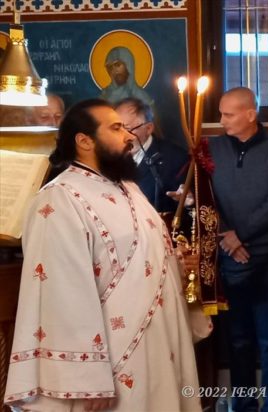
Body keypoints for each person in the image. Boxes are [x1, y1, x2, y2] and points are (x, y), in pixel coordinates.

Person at [3, 99, 210, 411]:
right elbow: (61, 294)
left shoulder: (127, 187)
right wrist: (85, 378)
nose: (128, 136)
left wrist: (179, 262)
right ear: (84, 141)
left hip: (157, 345)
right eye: (116, 128)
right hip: (112, 363)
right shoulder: (59, 199)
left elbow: (142, 256)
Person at [210, 87, 268, 412]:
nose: (222, 121)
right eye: (220, 114)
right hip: (230, 255)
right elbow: (204, 196)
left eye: (228, 114)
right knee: (238, 339)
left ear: (250, 114)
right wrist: (226, 235)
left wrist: (241, 236)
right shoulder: (212, 149)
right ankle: (243, 406)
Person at [115, 97, 188, 212]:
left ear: (148, 128)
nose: (122, 137)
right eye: (116, 129)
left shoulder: (175, 159)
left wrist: (187, 202)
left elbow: (186, 205)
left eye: (128, 129)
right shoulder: (105, 156)